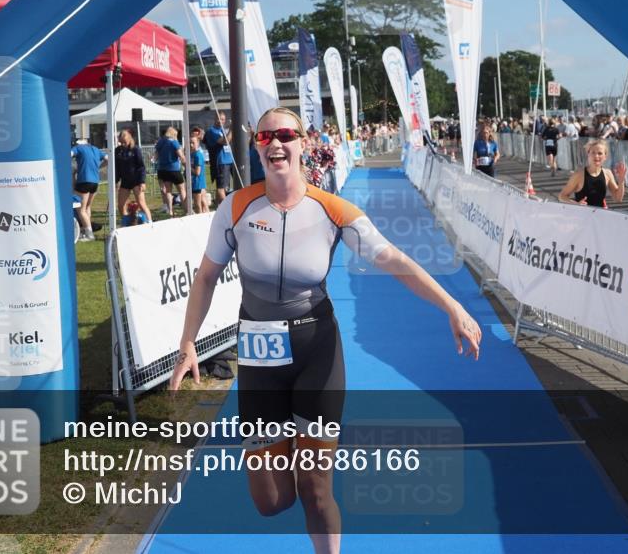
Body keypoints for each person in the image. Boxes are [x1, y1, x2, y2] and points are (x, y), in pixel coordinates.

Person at [169, 107, 481, 554]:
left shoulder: (332, 209)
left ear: (303, 143)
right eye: (265, 137)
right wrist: (187, 344)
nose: (276, 143)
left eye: (285, 135)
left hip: (316, 349)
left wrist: (451, 305)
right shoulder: (235, 207)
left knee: (316, 491)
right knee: (271, 501)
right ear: (257, 146)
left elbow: (392, 259)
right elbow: (204, 278)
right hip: (259, 355)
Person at [558, 139, 626, 208]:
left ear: (605, 156)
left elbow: (618, 199)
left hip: (600, 216)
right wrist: (576, 204)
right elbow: (562, 196)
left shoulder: (607, 173)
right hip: (582, 216)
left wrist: (621, 180)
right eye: (593, 152)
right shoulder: (579, 175)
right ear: (588, 154)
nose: (596, 156)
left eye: (600, 153)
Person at [71, 139, 106, 241]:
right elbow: (107, 158)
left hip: (84, 181)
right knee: (87, 207)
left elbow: (69, 154)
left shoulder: (78, 148)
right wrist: (97, 167)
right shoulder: (95, 149)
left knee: (80, 210)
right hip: (95, 182)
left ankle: (89, 235)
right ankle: (86, 231)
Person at [115, 128, 152, 224]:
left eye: (125, 142)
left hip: (136, 180)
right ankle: (127, 222)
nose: (123, 144)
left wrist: (142, 182)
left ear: (129, 139)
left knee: (141, 203)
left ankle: (150, 222)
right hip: (125, 181)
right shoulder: (117, 151)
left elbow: (141, 167)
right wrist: (116, 180)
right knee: (120, 204)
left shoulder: (135, 149)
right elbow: (117, 167)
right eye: (121, 142)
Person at [155, 126, 187, 216]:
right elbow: (181, 156)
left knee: (168, 191)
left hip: (163, 170)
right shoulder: (174, 142)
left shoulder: (160, 141)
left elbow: (156, 156)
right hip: (174, 169)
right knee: (182, 190)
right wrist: (186, 163)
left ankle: (170, 211)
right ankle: (186, 209)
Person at [204, 111, 234, 204]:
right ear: (215, 119)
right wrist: (232, 129)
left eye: (223, 119)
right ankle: (226, 207)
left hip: (230, 160)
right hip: (221, 162)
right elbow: (225, 141)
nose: (220, 121)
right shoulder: (211, 131)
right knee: (221, 187)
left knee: (225, 187)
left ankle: (218, 206)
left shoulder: (223, 130)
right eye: (219, 119)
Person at [189, 135, 210, 214]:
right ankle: (206, 216)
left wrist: (187, 166)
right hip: (194, 182)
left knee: (197, 204)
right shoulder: (192, 154)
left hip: (198, 183)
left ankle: (200, 217)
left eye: (193, 143)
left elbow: (197, 172)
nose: (191, 145)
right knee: (202, 202)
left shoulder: (198, 155)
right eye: (190, 143)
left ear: (197, 143)